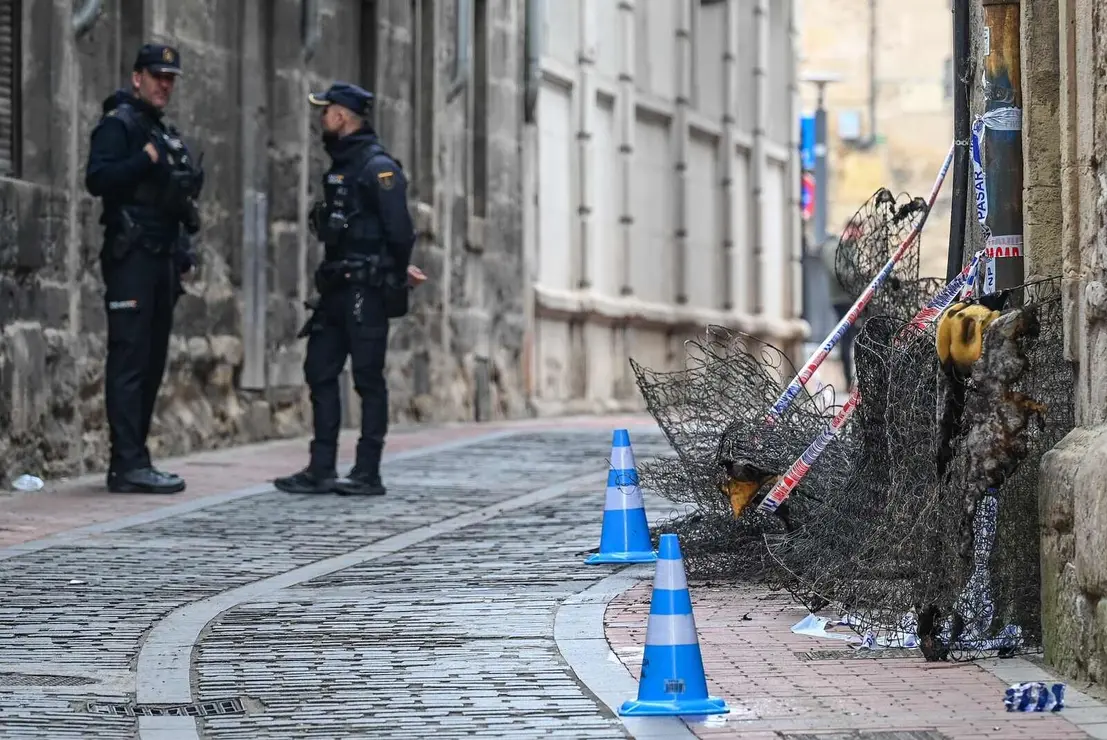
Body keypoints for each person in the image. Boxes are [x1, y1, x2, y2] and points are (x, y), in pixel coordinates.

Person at [274, 82, 420, 497]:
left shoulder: (378, 168)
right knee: (319, 370)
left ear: (341, 116)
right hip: (337, 287)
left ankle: (367, 471)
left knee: (368, 378)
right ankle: (321, 468)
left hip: (365, 289)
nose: (322, 119)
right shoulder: (341, 166)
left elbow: (400, 231)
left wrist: (392, 271)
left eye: (326, 112)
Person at [85, 43, 204, 494]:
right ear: (137, 77)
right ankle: (126, 463)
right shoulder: (120, 125)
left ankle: (137, 458)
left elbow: (175, 200)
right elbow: (97, 178)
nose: (164, 85)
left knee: (152, 362)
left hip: (161, 259)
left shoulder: (162, 131)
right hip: (130, 257)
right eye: (157, 76)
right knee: (129, 359)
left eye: (170, 78)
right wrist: (144, 161)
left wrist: (183, 252)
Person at [820, 231, 859, 391]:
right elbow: (837, 271)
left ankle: (853, 380)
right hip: (841, 300)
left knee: (853, 338)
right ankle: (848, 380)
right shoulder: (832, 247)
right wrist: (857, 274)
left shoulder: (851, 248)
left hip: (853, 299)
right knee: (846, 339)